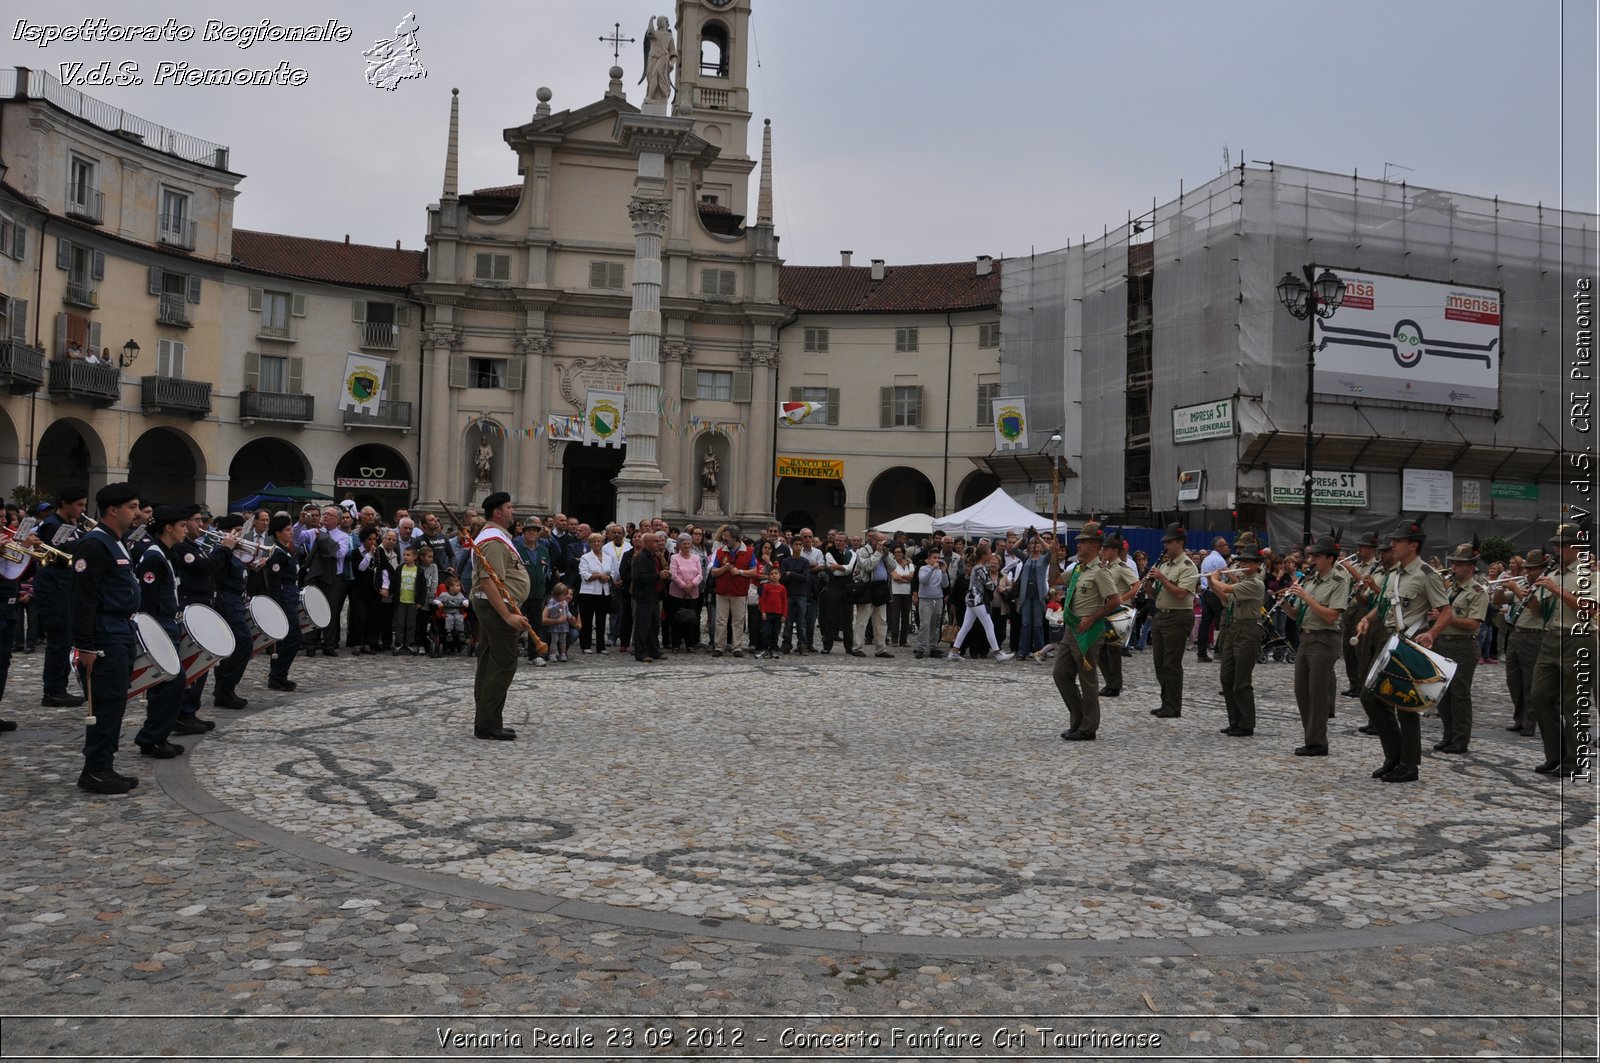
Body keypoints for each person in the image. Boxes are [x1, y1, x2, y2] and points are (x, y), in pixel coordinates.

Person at [1355, 518, 1452, 783]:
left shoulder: (1426, 576)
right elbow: (1385, 606)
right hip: (1390, 642)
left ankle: (1408, 764)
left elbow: (1445, 611)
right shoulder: (1393, 575)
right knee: (1370, 696)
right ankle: (1394, 755)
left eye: (1398, 541)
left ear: (1414, 545)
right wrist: (1368, 619)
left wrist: (1432, 633)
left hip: (1410, 644)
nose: (1393, 545)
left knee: (1406, 706)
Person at [70, 482, 143, 794]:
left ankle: (104, 765)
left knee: (115, 701)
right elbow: (82, 599)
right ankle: (95, 769)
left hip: (120, 630)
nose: (138, 513)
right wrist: (85, 645)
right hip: (104, 634)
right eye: (132, 507)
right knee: (105, 702)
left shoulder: (117, 542)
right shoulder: (95, 545)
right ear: (113, 510)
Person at [1526, 523, 1594, 778]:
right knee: (1539, 696)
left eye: (1562, 544)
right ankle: (1554, 754)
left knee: (1573, 704)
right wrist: (1530, 593)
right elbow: (1538, 612)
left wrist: (1557, 591)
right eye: (1555, 544)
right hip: (1551, 638)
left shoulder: (1590, 573)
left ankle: (1574, 760)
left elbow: (1590, 608)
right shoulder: (1553, 572)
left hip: (1579, 639)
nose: (1557, 549)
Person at [470, 493, 534, 740]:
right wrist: (508, 616)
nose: (512, 511)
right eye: (509, 507)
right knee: (503, 664)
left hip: (493, 607)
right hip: (496, 608)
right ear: (497, 512)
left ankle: (486, 720)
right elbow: (488, 582)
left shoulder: (496, 537)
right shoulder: (494, 541)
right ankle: (488, 723)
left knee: (488, 663)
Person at [131, 506, 193, 759]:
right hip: (158, 625)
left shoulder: (166, 553)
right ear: (168, 527)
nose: (186, 530)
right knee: (171, 681)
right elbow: (147, 599)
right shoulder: (154, 556)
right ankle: (151, 737)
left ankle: (156, 737)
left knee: (168, 683)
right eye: (182, 525)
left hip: (168, 622)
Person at [1054, 521, 1120, 741]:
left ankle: (1088, 727)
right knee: (1061, 674)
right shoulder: (1078, 568)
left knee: (1087, 680)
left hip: (1088, 633)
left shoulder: (1100, 572)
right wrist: (1053, 558)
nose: (1079, 545)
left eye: (1083, 542)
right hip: (1071, 630)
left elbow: (1114, 601)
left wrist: (1091, 619)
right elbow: (1053, 580)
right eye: (1079, 542)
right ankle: (1078, 718)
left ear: (1095, 545)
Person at [1281, 535, 1347, 757]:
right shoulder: (1310, 580)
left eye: (1317, 556)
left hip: (1324, 639)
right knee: (1301, 690)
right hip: (1306, 638)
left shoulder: (1339, 581)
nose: (1312, 560)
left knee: (1317, 692)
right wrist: (1284, 604)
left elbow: (1331, 616)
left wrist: (1306, 597)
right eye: (1311, 556)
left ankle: (1318, 742)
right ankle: (1310, 736)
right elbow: (1296, 613)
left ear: (1330, 558)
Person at [33, 486, 88, 707]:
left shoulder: (70, 525)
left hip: (66, 586)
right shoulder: (51, 525)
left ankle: (60, 686)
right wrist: (88, 541)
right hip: (54, 588)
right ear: (65, 503)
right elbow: (58, 551)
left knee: (66, 640)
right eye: (79, 505)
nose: (82, 509)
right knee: (59, 640)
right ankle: (53, 690)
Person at [169, 506, 222, 735]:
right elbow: (202, 568)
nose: (201, 525)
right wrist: (225, 549)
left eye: (203, 520)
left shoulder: (195, 546)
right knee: (193, 660)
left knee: (202, 662)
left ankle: (190, 710)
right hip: (191, 605)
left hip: (204, 604)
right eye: (196, 520)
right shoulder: (182, 548)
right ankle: (182, 712)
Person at [1432, 543, 1488, 754]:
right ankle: (1448, 734)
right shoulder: (1449, 588)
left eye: (1459, 564)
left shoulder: (1477, 591)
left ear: (1471, 567)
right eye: (1453, 563)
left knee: (1460, 694)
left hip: (1463, 646)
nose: (1454, 567)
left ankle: (1461, 739)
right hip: (1444, 643)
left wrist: (1446, 618)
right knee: (1443, 693)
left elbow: (1474, 623)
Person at [1211, 543, 1266, 738]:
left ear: (1257, 564)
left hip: (1248, 630)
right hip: (1234, 628)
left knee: (1241, 680)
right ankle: (1234, 720)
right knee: (1227, 676)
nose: (1243, 564)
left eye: (1248, 561)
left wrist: (1217, 580)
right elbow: (1226, 598)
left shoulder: (1254, 582)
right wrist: (1212, 584)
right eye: (1242, 560)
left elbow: (1227, 587)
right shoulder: (1243, 580)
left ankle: (1246, 723)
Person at [1146, 524, 1199, 718]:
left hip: (1178, 616)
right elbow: (1155, 594)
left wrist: (1161, 578)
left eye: (1169, 542)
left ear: (1180, 542)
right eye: (1165, 542)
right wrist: (1149, 584)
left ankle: (1174, 706)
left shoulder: (1188, 566)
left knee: (1171, 664)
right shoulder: (1165, 565)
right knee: (1159, 662)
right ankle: (1165, 701)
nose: (1166, 545)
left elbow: (1180, 593)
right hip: (1162, 614)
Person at [1499, 548, 1550, 736]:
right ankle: (1518, 719)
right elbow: (1498, 601)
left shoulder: (1546, 586)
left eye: (1532, 569)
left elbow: (1538, 611)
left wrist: (1516, 589)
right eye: (1526, 568)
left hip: (1534, 635)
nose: (1527, 572)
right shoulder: (1523, 585)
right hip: (1516, 633)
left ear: (1542, 569)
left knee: (1530, 681)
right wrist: (1500, 587)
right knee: (1513, 681)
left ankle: (1530, 722)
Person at [209, 514, 253, 711]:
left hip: (236, 600)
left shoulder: (233, 550)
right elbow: (215, 575)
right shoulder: (221, 550)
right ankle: (225, 688)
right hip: (226, 601)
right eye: (236, 530)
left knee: (235, 646)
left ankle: (223, 690)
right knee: (243, 644)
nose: (239, 534)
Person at [947, 543, 1014, 663]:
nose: (991, 554)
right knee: (989, 625)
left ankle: (954, 651)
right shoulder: (980, 568)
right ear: (984, 555)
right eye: (989, 553)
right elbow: (989, 585)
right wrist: (995, 584)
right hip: (977, 599)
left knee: (966, 626)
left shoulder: (978, 567)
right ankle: (997, 653)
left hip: (972, 599)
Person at [264, 515, 304, 692]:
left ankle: (278, 675)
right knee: (293, 638)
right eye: (287, 530)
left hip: (290, 595)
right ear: (278, 533)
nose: (291, 533)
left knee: (286, 640)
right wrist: (277, 605)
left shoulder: (286, 550)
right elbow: (274, 582)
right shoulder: (277, 553)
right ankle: (278, 674)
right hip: (284, 598)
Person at [1094, 535, 1138, 693]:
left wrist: (1122, 598)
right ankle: (1110, 681)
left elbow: (1136, 585)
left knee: (1113, 649)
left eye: (1106, 548)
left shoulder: (1121, 567)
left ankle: (1114, 685)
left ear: (1115, 551)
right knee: (1101, 649)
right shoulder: (1106, 567)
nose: (1103, 551)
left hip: (1116, 612)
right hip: (1105, 610)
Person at [710, 526, 756, 658]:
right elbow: (713, 571)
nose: (724, 538)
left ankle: (737, 647)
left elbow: (753, 571)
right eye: (723, 535)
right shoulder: (720, 552)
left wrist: (740, 571)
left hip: (739, 592)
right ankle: (719, 646)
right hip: (722, 591)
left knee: (738, 621)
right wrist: (724, 569)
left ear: (734, 538)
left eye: (726, 536)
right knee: (721, 621)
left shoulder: (748, 552)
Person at [850, 530, 894, 659]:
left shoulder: (884, 552)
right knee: (862, 620)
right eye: (881, 541)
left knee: (881, 621)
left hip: (881, 589)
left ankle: (881, 649)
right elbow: (868, 566)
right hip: (868, 588)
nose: (883, 544)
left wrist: (885, 555)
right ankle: (857, 647)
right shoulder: (863, 551)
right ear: (873, 540)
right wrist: (878, 553)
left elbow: (893, 567)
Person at [631, 531, 665, 663]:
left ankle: (654, 650)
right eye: (655, 541)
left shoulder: (655, 556)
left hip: (654, 594)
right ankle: (641, 652)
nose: (658, 543)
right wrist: (658, 576)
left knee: (654, 625)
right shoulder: (641, 558)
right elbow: (639, 577)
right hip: (644, 595)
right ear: (646, 543)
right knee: (643, 625)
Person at [1196, 537, 1231, 661]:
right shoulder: (1219, 560)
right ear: (1218, 547)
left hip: (1205, 593)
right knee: (1225, 621)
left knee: (1205, 624)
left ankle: (1201, 653)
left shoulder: (1207, 558)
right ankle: (1220, 650)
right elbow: (1230, 576)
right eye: (1225, 545)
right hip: (1214, 594)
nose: (1227, 547)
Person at [577, 533, 613, 654]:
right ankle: (585, 645)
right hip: (588, 592)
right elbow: (584, 575)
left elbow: (612, 572)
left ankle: (601, 646)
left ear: (602, 543)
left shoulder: (608, 557)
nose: (597, 544)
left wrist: (608, 577)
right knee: (587, 619)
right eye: (594, 542)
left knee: (601, 620)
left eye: (599, 541)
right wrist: (599, 576)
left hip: (603, 591)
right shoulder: (585, 557)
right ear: (590, 544)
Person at [667, 533, 704, 652]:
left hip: (693, 594)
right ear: (679, 545)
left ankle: (690, 643)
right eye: (684, 544)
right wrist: (683, 585)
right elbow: (673, 574)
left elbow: (700, 574)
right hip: (677, 593)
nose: (687, 546)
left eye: (688, 544)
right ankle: (676, 644)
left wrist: (692, 584)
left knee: (691, 619)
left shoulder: (696, 558)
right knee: (676, 619)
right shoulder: (674, 558)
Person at [913, 546, 948, 660]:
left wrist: (943, 572)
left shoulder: (940, 571)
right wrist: (932, 569)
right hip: (925, 600)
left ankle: (933, 647)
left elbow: (945, 585)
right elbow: (923, 580)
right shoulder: (924, 568)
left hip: (938, 599)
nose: (936, 560)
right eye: (934, 557)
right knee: (924, 625)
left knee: (936, 625)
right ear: (929, 558)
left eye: (938, 558)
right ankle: (921, 647)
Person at [391, 544, 422, 655]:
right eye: (404, 555)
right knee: (399, 624)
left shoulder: (419, 571)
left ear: (415, 557)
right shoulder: (400, 569)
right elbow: (394, 584)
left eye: (408, 555)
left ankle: (410, 644)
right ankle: (398, 644)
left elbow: (422, 587)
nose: (405, 557)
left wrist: (420, 601)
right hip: (401, 601)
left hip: (412, 602)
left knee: (411, 624)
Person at [755, 563, 788, 660]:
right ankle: (765, 649)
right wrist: (763, 612)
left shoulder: (782, 588)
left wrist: (784, 615)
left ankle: (773, 649)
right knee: (766, 632)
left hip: (778, 614)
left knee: (775, 633)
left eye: (776, 573)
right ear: (769, 576)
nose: (774, 575)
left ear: (780, 575)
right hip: (768, 614)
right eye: (772, 574)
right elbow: (763, 600)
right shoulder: (766, 587)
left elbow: (785, 602)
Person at [543, 583, 575, 662]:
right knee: (554, 639)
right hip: (554, 626)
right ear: (558, 595)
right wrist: (558, 605)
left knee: (562, 640)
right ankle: (552, 653)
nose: (566, 597)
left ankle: (562, 653)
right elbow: (550, 609)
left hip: (563, 626)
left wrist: (570, 616)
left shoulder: (565, 602)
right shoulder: (552, 601)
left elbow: (567, 611)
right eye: (564, 595)